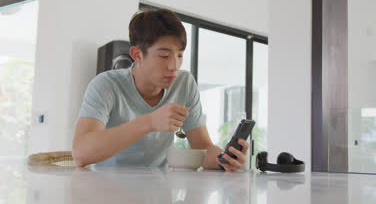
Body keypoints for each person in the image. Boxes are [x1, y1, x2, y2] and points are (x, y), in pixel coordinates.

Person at [72, 9, 248, 171]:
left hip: (159, 191)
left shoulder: (184, 84)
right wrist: (149, 122)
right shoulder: (106, 85)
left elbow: (202, 147)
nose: (174, 66)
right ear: (137, 55)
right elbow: (80, 153)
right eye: (164, 56)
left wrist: (224, 159)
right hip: (105, 191)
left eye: (179, 55)